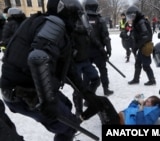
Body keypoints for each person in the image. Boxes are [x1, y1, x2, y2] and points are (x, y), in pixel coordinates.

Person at [0, 0, 120, 140]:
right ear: (67, 13)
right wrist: (47, 101)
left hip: (23, 89)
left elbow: (67, 67)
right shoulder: (54, 26)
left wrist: (86, 93)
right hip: (25, 94)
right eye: (76, 17)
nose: (77, 22)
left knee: (67, 106)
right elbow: (38, 58)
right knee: (69, 127)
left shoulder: (43, 23)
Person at [71, 19, 101, 117]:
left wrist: (101, 49)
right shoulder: (70, 32)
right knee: (77, 87)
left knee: (96, 79)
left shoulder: (86, 32)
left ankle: (88, 98)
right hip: (75, 64)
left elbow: (94, 41)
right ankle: (78, 110)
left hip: (86, 61)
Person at [85, 0, 114, 96]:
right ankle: (106, 89)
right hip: (99, 51)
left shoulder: (81, 20)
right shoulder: (100, 20)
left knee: (87, 72)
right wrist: (108, 49)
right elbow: (106, 37)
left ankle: (87, 92)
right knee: (103, 70)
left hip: (86, 51)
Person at [126, 5, 156, 86]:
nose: (131, 18)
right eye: (129, 17)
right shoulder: (138, 22)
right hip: (141, 46)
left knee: (146, 65)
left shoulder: (141, 22)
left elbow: (146, 35)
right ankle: (136, 79)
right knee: (138, 63)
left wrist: (137, 45)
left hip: (145, 46)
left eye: (132, 16)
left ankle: (152, 80)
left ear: (135, 15)